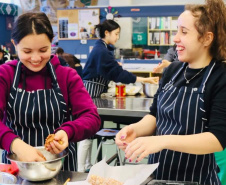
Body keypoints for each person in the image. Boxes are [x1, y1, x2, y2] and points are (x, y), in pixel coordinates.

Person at [116, 0, 226, 184]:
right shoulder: (172, 71)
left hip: (197, 179)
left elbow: (216, 139)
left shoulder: (220, 77)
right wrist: (136, 129)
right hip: (158, 177)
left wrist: (162, 141)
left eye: (184, 32)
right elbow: (154, 116)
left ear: (207, 38)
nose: (175, 38)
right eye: (177, 30)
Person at [0, 12, 101, 171]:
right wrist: (15, 144)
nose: (35, 58)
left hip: (61, 167)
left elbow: (92, 118)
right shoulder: (5, 74)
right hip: (16, 167)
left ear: (51, 42)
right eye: (27, 51)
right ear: (15, 44)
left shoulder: (66, 76)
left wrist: (68, 131)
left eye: (43, 50)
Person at [78, 20, 159, 173]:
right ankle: (81, 170)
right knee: (87, 134)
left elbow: (113, 71)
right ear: (106, 33)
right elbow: (118, 74)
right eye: (116, 34)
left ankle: (87, 165)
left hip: (95, 94)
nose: (117, 38)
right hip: (90, 94)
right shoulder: (101, 51)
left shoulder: (102, 49)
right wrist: (144, 79)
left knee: (89, 132)